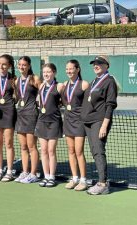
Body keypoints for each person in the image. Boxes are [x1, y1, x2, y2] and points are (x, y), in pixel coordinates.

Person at [81, 55, 117, 195]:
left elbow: (110, 105)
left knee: (98, 151)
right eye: (95, 63)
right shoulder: (94, 81)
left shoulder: (109, 81)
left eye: (100, 63)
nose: (96, 65)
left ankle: (103, 184)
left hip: (99, 122)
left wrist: (104, 125)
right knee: (94, 151)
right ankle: (100, 182)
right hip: (88, 122)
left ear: (106, 65)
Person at [34, 63, 64, 188]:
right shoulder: (41, 86)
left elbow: (65, 100)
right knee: (44, 151)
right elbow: (39, 101)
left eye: (49, 72)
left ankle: (52, 177)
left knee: (51, 150)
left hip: (54, 121)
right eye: (44, 72)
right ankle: (46, 176)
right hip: (41, 121)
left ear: (54, 73)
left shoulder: (59, 86)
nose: (46, 74)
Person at [62, 60, 89, 191]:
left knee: (79, 151)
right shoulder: (64, 85)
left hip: (79, 122)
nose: (69, 71)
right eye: (67, 69)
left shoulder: (84, 85)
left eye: (71, 69)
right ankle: (74, 178)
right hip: (67, 121)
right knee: (71, 151)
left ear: (77, 69)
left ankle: (83, 180)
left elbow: (89, 104)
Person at [14, 56, 41, 184]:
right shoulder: (16, 81)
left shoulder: (34, 79)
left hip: (31, 115)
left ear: (29, 66)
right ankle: (25, 171)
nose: (22, 67)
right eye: (20, 64)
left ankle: (33, 173)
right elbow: (18, 97)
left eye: (24, 65)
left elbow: (43, 93)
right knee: (23, 146)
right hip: (20, 115)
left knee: (31, 146)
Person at [0, 54, 17, 182]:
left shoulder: (14, 79)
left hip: (9, 113)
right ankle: (0, 169)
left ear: (9, 66)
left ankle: (10, 171)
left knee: (8, 143)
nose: (1, 66)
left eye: (4, 64)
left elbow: (18, 96)